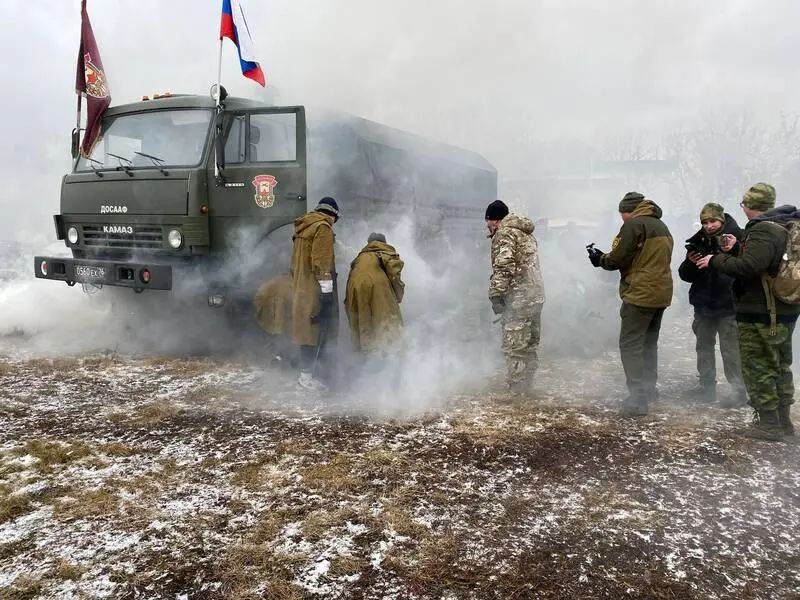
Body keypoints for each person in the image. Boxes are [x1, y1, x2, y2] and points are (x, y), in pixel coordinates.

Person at [695, 183, 800, 441]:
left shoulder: (764, 229)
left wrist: (716, 259)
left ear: (749, 206)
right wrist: (737, 247)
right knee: (779, 365)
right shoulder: (785, 225)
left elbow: (750, 267)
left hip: (762, 311)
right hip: (782, 308)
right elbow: (765, 261)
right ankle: (784, 423)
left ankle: (768, 424)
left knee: (758, 366)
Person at [588, 191, 674, 416]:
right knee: (648, 343)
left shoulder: (634, 225)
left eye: (622, 214)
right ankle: (649, 388)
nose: (622, 218)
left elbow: (618, 258)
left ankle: (637, 398)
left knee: (630, 344)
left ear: (628, 211)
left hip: (640, 293)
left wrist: (600, 260)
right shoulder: (661, 225)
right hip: (661, 292)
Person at [678, 202, 746, 406]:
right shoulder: (698, 241)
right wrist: (691, 261)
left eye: (713, 221)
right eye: (704, 222)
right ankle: (706, 387)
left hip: (729, 305)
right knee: (704, 347)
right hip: (704, 305)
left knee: (731, 350)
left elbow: (749, 266)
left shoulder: (740, 238)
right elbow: (685, 275)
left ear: (722, 220)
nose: (708, 225)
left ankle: (738, 391)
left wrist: (734, 250)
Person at [485, 199, 546, 395]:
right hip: (535, 297)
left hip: (518, 299)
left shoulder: (504, 234)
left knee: (515, 347)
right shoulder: (526, 234)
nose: (488, 227)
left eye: (488, 222)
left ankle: (517, 391)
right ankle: (527, 386)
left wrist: (496, 294)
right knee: (529, 345)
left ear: (494, 220)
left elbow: (504, 265)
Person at [290, 196, 340, 392]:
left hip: (301, 287)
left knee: (306, 332)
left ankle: (306, 376)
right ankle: (308, 380)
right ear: (333, 214)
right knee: (317, 332)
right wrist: (327, 292)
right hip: (315, 290)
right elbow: (321, 262)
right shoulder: (323, 228)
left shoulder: (303, 228)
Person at [344, 232, 406, 387]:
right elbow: (395, 274)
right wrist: (397, 295)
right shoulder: (384, 252)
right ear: (383, 241)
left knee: (365, 327)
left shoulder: (359, 259)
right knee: (388, 326)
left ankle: (365, 374)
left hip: (355, 289)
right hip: (378, 289)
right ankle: (392, 373)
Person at [253, 272, 295, 367]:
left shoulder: (268, 284)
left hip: (271, 322)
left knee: (273, 339)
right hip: (286, 322)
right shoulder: (292, 283)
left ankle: (275, 358)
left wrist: (260, 314)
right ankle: (283, 358)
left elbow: (257, 300)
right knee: (286, 339)